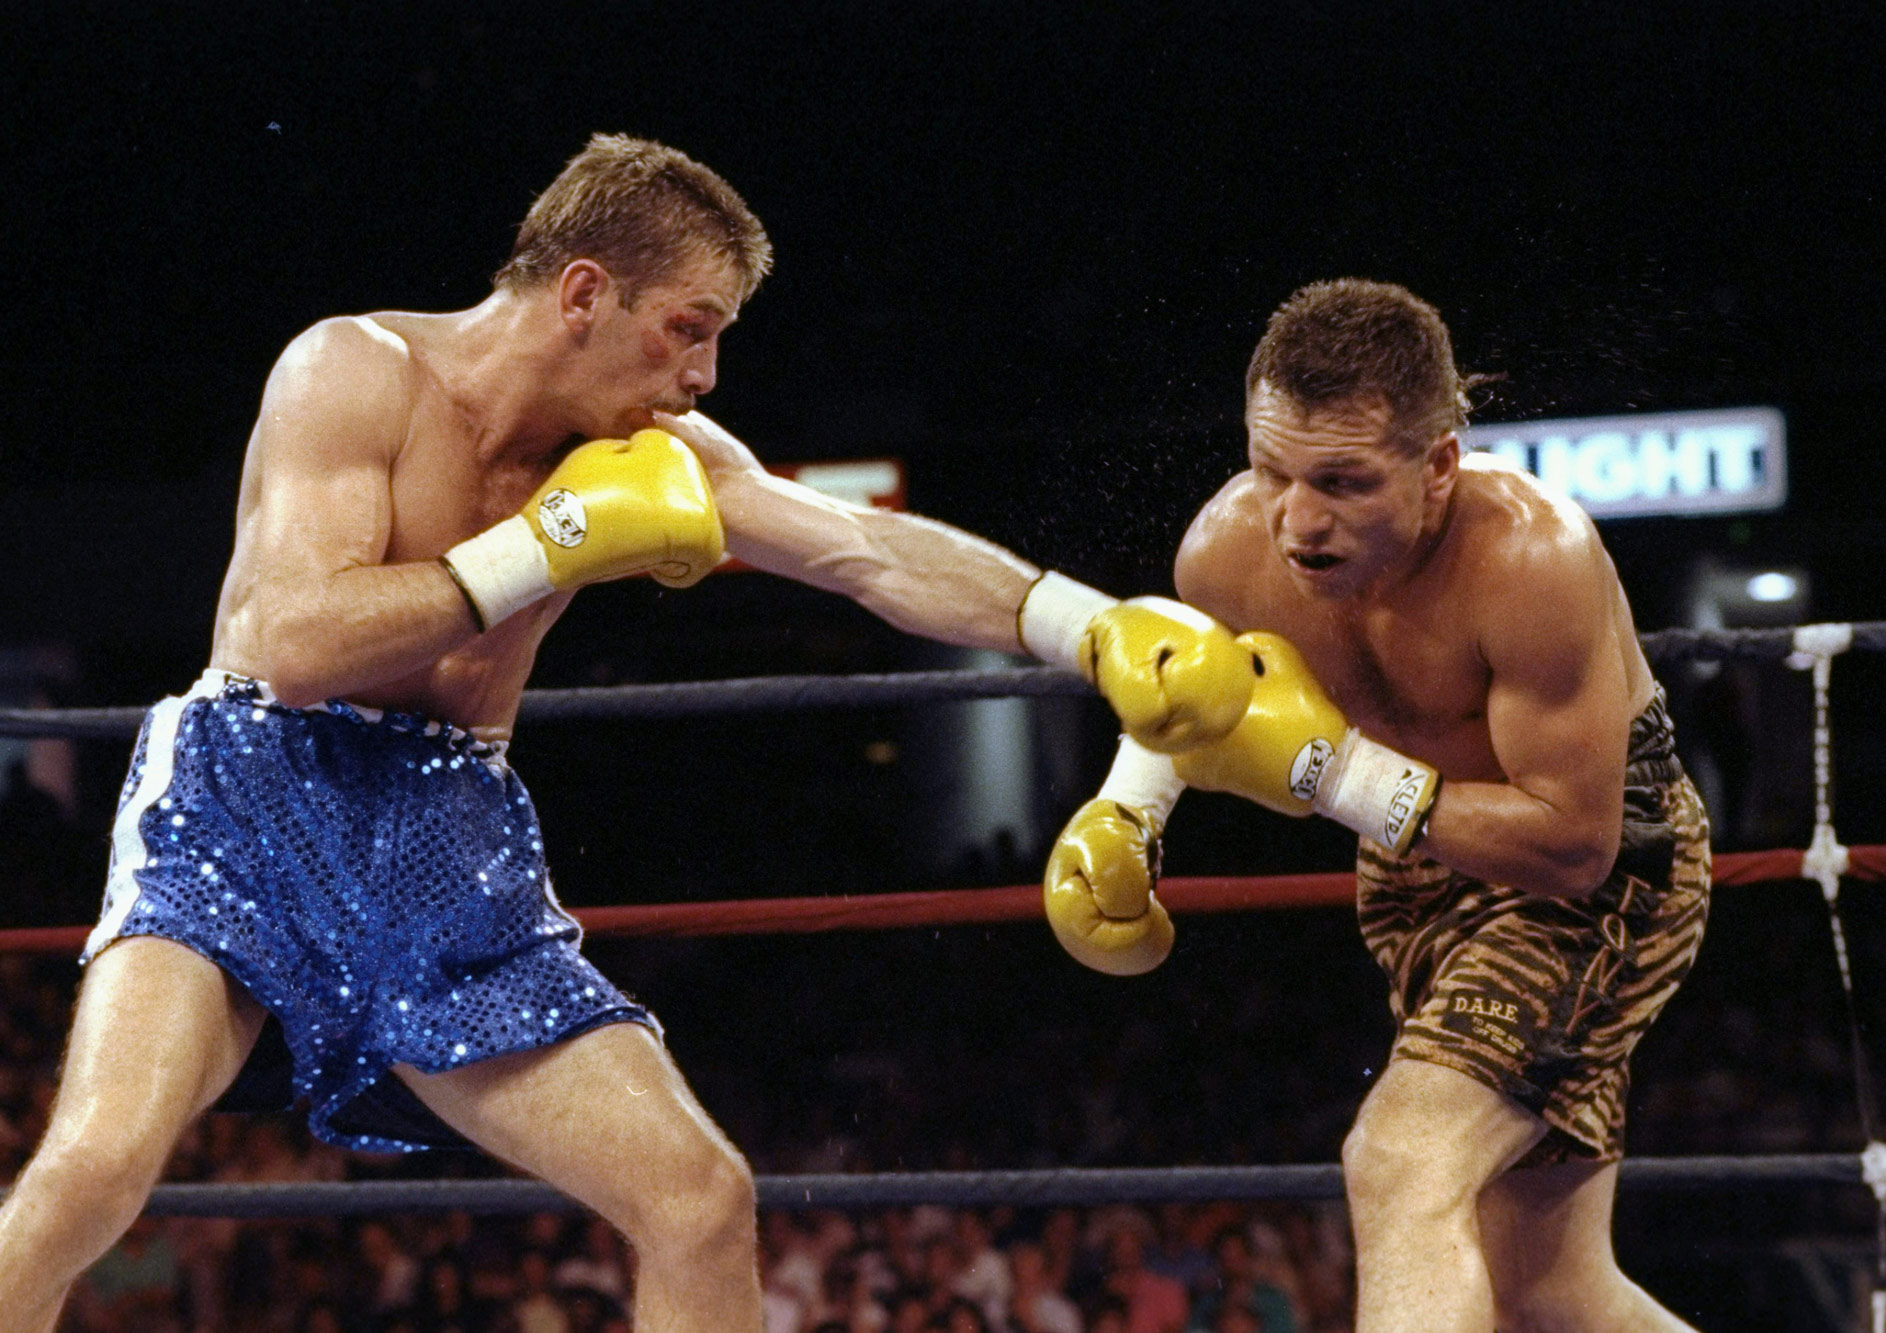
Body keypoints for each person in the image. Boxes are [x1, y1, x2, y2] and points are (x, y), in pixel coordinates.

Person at [0, 133, 1260, 1333]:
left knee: (699, 1199)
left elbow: (865, 552)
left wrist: (1084, 625)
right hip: (254, 791)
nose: (701, 375)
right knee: (96, 1166)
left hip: (448, 824)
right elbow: (291, 643)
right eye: (687, 331)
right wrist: (533, 550)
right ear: (585, 293)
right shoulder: (355, 370)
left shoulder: (653, 450)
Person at [1043, 279, 1709, 1331]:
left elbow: (1577, 846)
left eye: (1343, 482)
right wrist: (1127, 809)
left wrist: (1333, 773)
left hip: (1594, 872)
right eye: (1273, 471)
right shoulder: (1223, 550)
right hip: (1409, 875)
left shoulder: (1531, 560)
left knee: (1400, 1157)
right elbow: (1189, 699)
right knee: (1547, 1286)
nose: (1297, 522)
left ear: (1437, 463)